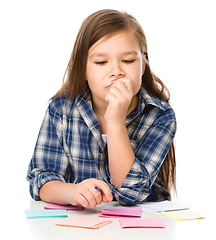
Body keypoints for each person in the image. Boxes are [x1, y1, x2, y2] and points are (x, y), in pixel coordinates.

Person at [26, 9, 177, 208]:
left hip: (142, 226)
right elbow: (41, 180)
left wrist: (115, 121)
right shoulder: (61, 109)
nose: (116, 71)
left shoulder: (160, 115)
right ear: (83, 69)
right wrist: (71, 192)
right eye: (101, 62)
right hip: (81, 226)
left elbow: (131, 192)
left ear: (143, 64)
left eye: (128, 61)